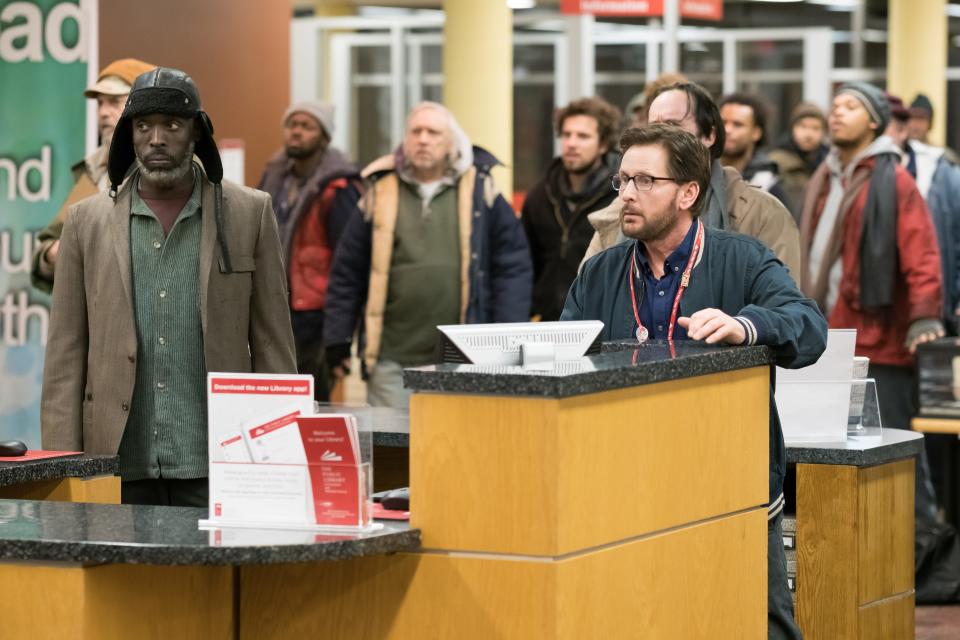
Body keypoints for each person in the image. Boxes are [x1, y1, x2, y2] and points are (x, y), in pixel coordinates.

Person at [562, 123, 827, 640]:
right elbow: (565, 359)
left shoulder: (742, 258)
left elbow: (808, 326)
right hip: (628, 489)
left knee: (755, 623)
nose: (628, 196)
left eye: (645, 181)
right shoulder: (599, 273)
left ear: (688, 192)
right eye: (622, 182)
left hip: (730, 487)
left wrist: (747, 326)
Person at [40, 68, 297, 507]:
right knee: (117, 577)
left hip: (220, 457)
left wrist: (280, 457)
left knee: (211, 578)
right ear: (130, 135)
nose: (156, 138)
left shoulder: (248, 213)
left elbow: (273, 343)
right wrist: (63, 464)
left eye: (172, 126)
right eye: (143, 126)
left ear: (196, 132)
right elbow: (66, 353)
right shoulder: (86, 222)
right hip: (114, 459)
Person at [799, 82, 944, 530]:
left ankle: (923, 549)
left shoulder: (892, 180)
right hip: (828, 334)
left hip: (878, 340)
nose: (836, 113)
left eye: (851, 107)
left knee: (893, 456)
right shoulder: (827, 176)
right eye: (835, 104)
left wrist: (924, 314)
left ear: (876, 121)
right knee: (834, 454)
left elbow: (922, 251)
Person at [323, 101, 533, 409]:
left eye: (433, 132)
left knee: (457, 447)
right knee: (392, 450)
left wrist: (508, 338)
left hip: (462, 358)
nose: (423, 139)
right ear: (405, 140)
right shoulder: (379, 192)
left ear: (451, 142)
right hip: (391, 358)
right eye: (416, 131)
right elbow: (347, 272)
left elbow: (512, 267)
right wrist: (338, 337)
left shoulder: (480, 190)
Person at [583, 81, 801, 283]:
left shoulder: (760, 214)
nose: (661, 137)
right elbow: (587, 303)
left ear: (709, 135)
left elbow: (781, 313)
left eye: (672, 125)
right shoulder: (622, 209)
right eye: (654, 127)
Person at [257, 101, 362, 401]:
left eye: (307, 126)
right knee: (276, 396)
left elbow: (348, 262)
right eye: (292, 125)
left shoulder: (339, 187)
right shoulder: (274, 178)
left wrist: (339, 331)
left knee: (313, 400)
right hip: (276, 303)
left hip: (315, 312)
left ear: (324, 136)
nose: (297, 132)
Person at [31, 58, 156, 293]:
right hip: (98, 315)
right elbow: (44, 252)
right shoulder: (94, 170)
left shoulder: (175, 169)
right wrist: (54, 255)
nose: (103, 113)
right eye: (100, 103)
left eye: (114, 102)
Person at [521, 97, 621, 321]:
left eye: (583, 136)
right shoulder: (540, 195)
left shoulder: (621, 195)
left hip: (599, 320)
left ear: (603, 144)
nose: (572, 143)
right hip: (547, 321)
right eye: (566, 135)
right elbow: (524, 264)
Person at [719, 92, 790, 208]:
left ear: (756, 133)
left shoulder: (768, 186)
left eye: (737, 124)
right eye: (723, 123)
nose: (727, 130)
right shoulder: (702, 175)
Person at [768, 102, 829, 223]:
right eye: (803, 126)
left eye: (815, 128)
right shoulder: (775, 163)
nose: (808, 134)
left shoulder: (830, 164)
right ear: (792, 129)